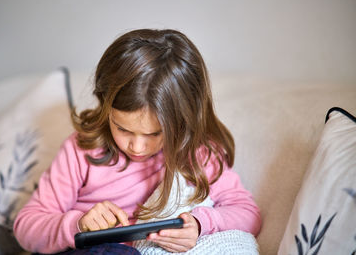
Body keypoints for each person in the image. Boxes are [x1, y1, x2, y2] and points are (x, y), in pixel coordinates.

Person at [13, 28, 261, 254]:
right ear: (105, 106)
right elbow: (26, 227)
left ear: (183, 121)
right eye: (123, 129)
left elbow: (248, 214)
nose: (138, 147)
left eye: (155, 134)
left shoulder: (197, 153)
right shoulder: (82, 149)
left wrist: (199, 224)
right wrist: (77, 224)